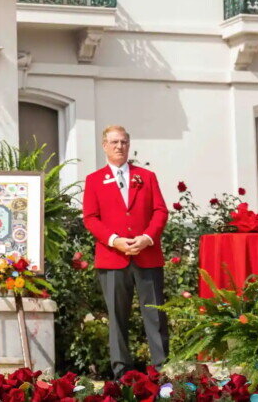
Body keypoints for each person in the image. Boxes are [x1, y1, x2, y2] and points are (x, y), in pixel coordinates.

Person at [82, 125, 169, 379]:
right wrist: (114, 240)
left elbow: (160, 211)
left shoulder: (147, 176)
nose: (119, 146)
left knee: (155, 314)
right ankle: (122, 373)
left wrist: (147, 238)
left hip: (147, 256)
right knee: (117, 317)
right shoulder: (94, 180)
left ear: (129, 145)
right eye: (114, 142)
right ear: (104, 146)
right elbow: (90, 218)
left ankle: (161, 370)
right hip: (113, 258)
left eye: (123, 142)